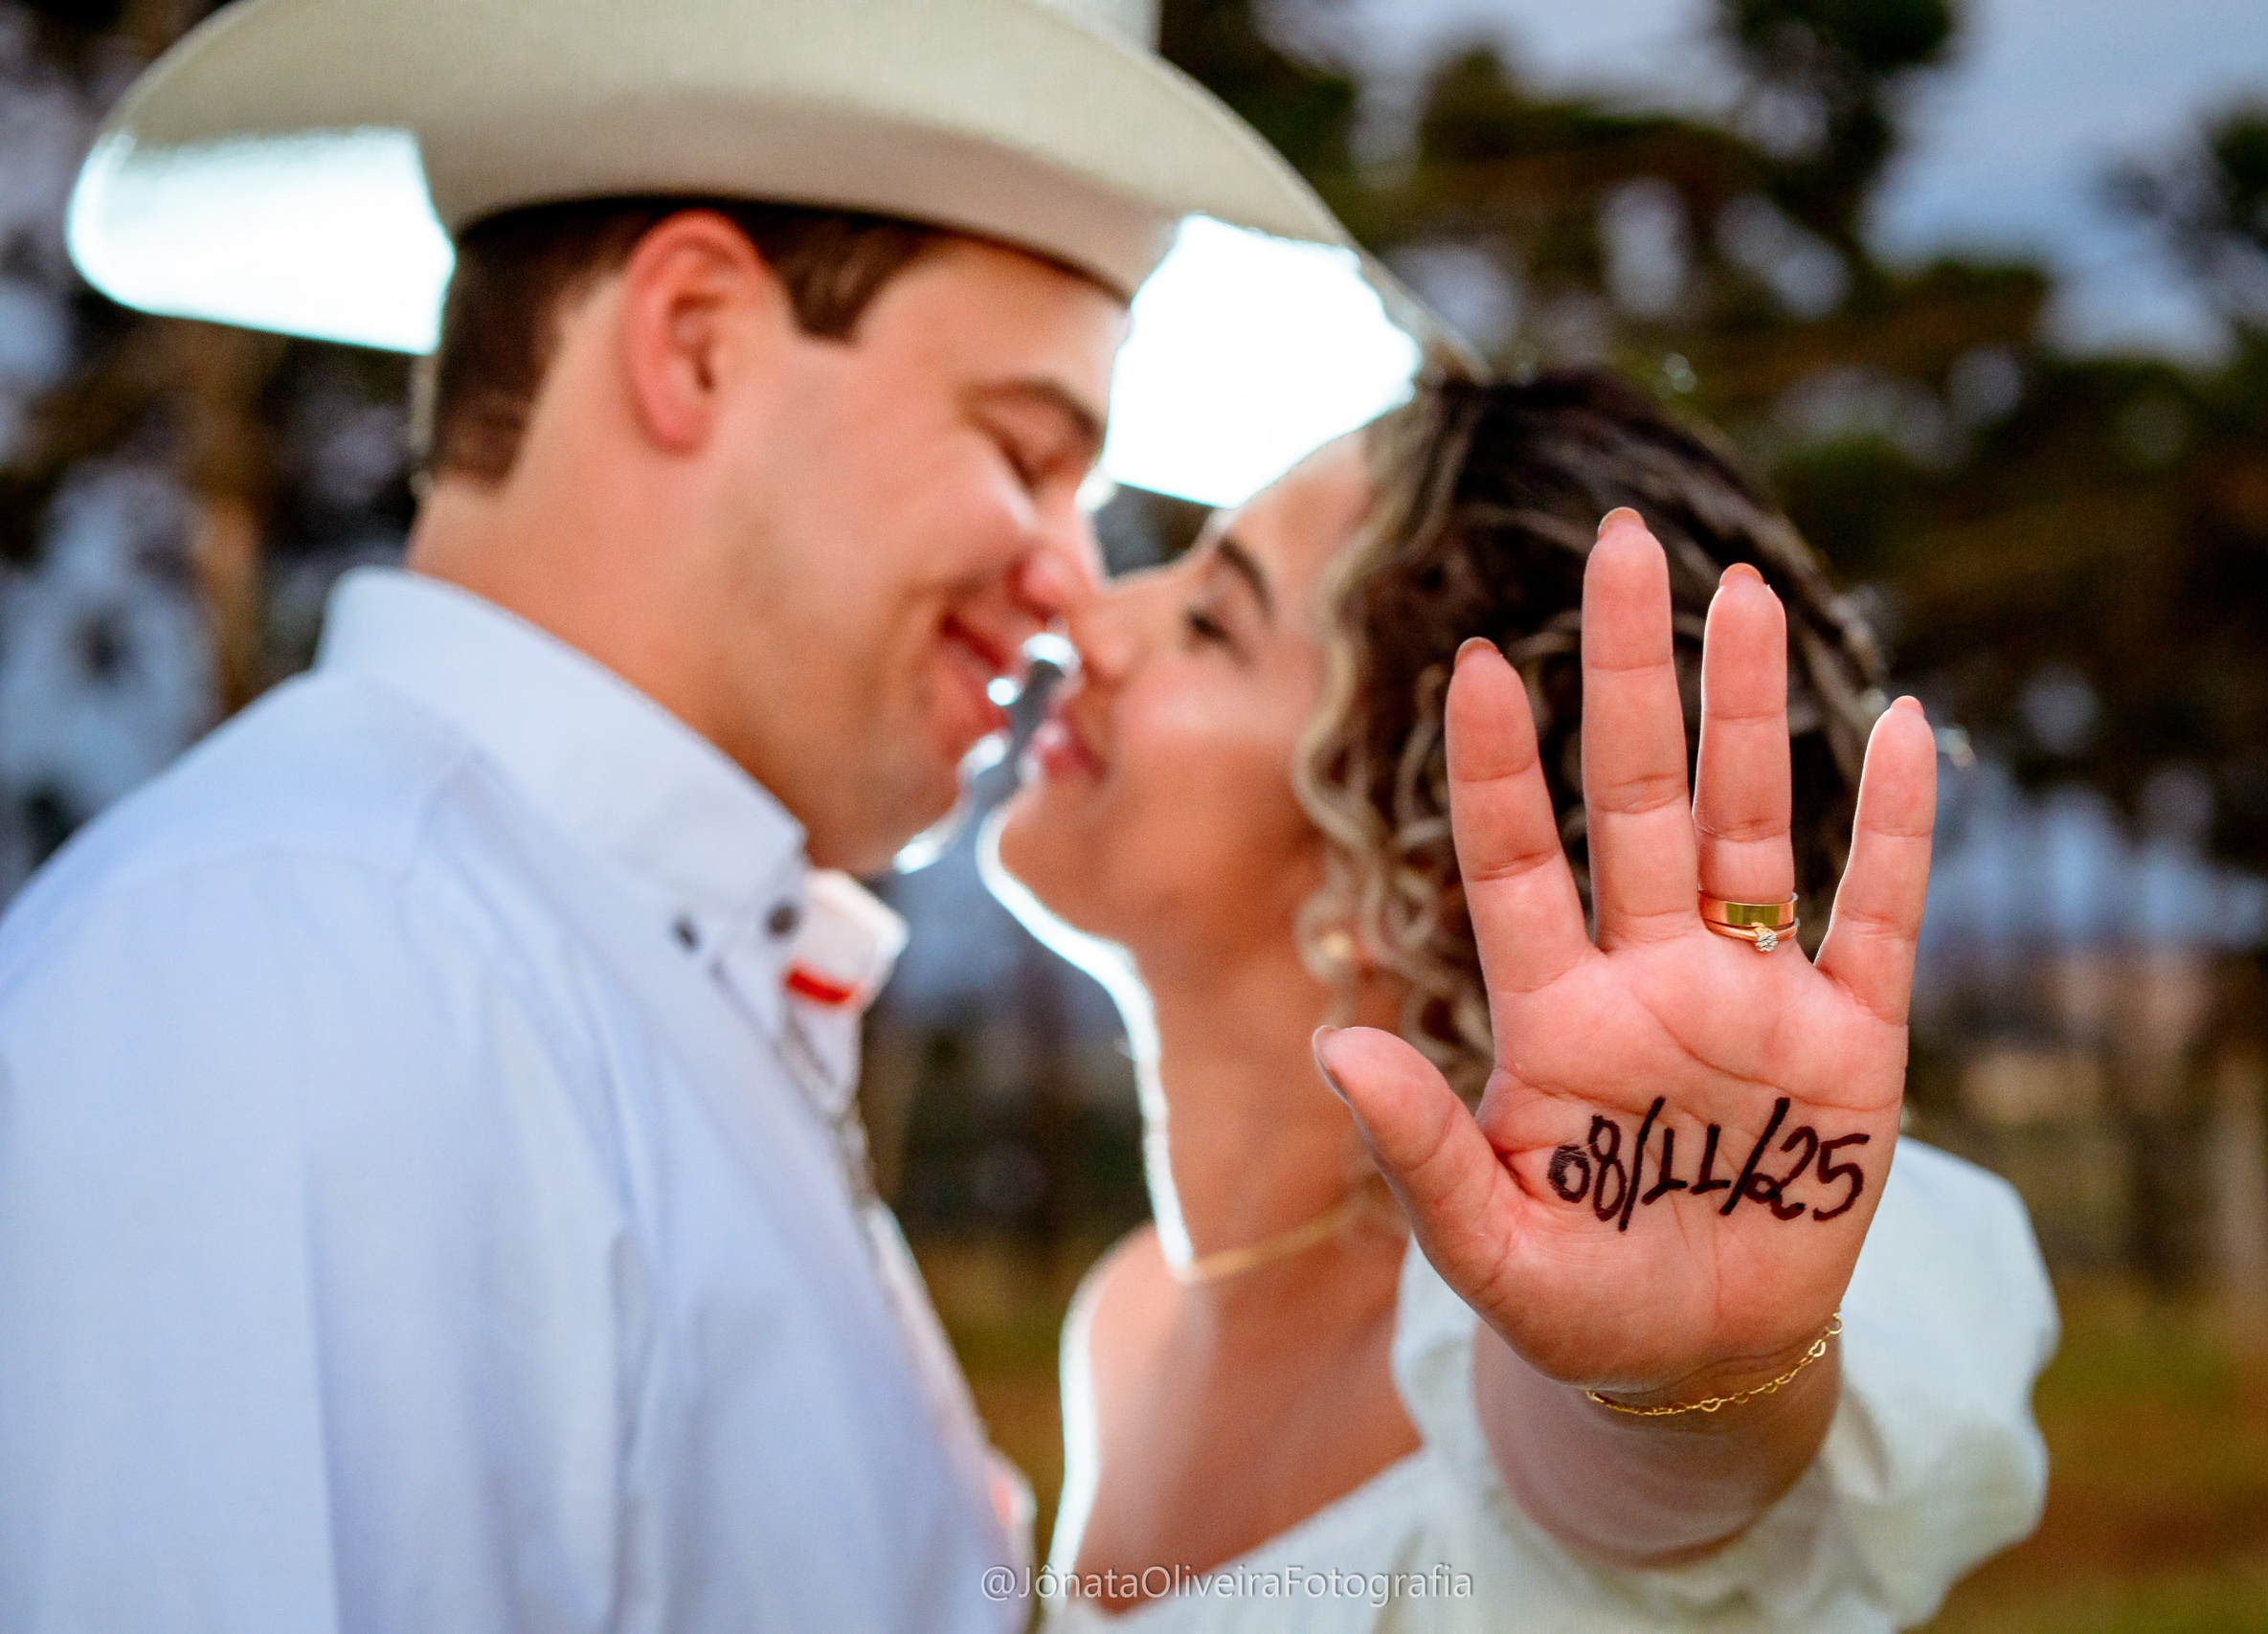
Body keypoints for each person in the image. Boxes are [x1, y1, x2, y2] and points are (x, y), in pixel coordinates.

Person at [0, 1, 1356, 1628]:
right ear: (695, 340)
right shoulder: (283, 972)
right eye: (1023, 449)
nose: (1075, 580)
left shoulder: (592, 973)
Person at [992, 369, 2057, 1629]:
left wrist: (1687, 1385)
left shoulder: (1500, 1326)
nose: (1090, 620)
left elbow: (1650, 1480)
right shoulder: (1125, 1324)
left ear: (1412, 863)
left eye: (1211, 625)